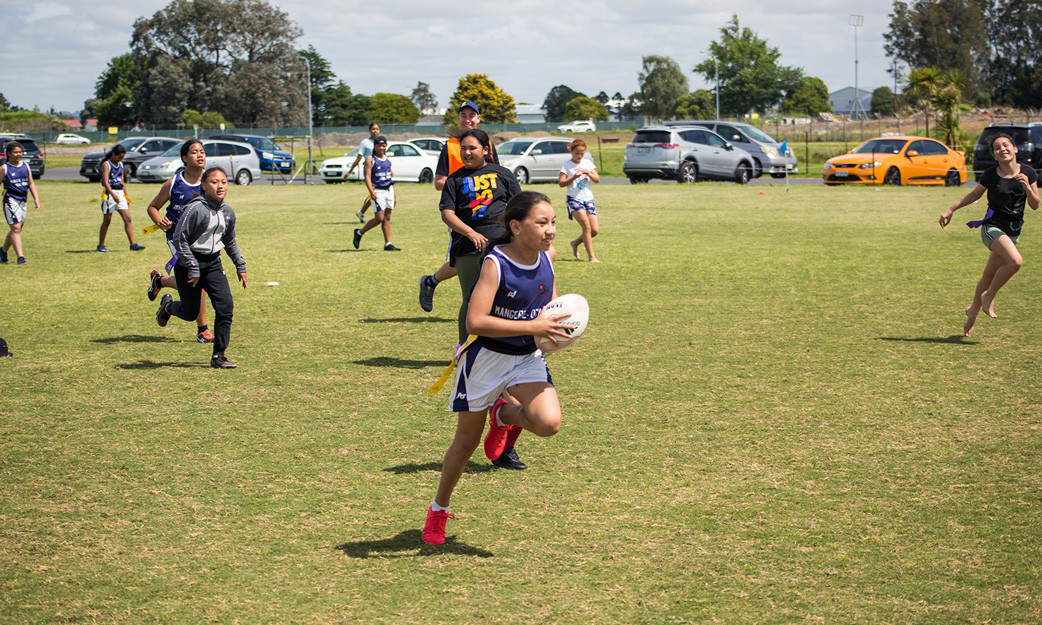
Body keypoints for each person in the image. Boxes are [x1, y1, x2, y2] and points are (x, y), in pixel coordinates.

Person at [421, 191, 572, 545]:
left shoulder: (548, 257)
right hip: (486, 359)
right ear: (516, 227)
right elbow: (475, 322)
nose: (550, 230)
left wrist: (558, 330)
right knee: (465, 444)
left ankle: (503, 416)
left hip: (525, 358)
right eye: (542, 222)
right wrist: (533, 327)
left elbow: (548, 309)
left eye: (553, 222)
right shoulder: (496, 263)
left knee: (548, 424)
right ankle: (438, 509)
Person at [438, 128, 535, 471]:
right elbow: (447, 212)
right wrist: (470, 233)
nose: (466, 153)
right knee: (475, 307)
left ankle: (505, 442)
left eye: (472, 148)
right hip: (469, 248)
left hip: (503, 247)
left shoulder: (503, 175)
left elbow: (522, 210)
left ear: (486, 149)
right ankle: (469, 348)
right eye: (463, 149)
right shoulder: (454, 180)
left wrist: (520, 242)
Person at [940, 132, 1039, 337]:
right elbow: (974, 195)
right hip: (991, 227)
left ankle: (972, 312)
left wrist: (1027, 188)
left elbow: (1035, 204)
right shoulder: (991, 175)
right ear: (994, 156)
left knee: (988, 275)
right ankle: (988, 296)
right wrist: (951, 210)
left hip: (1012, 231)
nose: (1002, 149)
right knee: (1015, 262)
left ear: (1015, 149)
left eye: (1005, 145)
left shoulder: (1028, 172)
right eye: (997, 148)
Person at [155, 167, 247, 369]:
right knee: (190, 313)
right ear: (204, 186)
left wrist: (240, 266)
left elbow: (230, 241)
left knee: (225, 307)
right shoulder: (195, 208)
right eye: (214, 182)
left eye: (223, 182)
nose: (220, 186)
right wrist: (193, 267)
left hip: (213, 264)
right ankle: (168, 306)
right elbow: (180, 238)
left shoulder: (228, 212)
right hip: (188, 265)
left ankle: (218, 356)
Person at [418, 101, 499, 312]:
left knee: (488, 256)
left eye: (472, 115)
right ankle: (433, 283)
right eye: (463, 115)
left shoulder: (487, 144)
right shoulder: (451, 146)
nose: (467, 119)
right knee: (465, 258)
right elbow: (438, 182)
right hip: (461, 214)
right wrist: (465, 183)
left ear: (479, 118)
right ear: (458, 119)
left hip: (489, 214)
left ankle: (481, 303)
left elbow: (497, 178)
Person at [144, 139, 215, 343]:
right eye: (194, 152)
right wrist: (159, 221)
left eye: (202, 151)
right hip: (177, 238)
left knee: (193, 282)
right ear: (185, 158)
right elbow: (153, 206)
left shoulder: (209, 181)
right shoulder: (174, 183)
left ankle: (160, 281)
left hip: (201, 239)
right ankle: (203, 330)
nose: (200, 155)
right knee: (197, 279)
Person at [353, 136, 400, 251]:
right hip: (378, 190)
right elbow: (367, 177)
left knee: (387, 217)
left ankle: (388, 243)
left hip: (388, 190)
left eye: (384, 145)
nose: (381, 148)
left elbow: (389, 177)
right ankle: (359, 232)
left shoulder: (387, 159)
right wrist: (371, 191)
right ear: (374, 146)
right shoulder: (370, 159)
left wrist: (393, 194)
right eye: (379, 145)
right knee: (379, 218)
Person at [558, 138, 600, 262]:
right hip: (574, 199)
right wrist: (573, 177)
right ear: (571, 151)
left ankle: (575, 243)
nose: (579, 156)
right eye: (577, 153)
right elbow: (561, 183)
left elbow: (597, 180)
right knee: (586, 227)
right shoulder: (567, 165)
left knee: (594, 230)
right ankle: (592, 257)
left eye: (582, 153)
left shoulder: (587, 163)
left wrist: (589, 174)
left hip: (588, 199)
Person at [97, 144, 145, 253]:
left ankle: (133, 244)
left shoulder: (121, 165)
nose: (120, 159)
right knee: (107, 221)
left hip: (120, 193)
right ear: (113, 154)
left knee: (128, 218)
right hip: (110, 194)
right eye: (119, 157)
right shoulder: (107, 164)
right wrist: (113, 196)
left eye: (122, 157)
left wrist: (126, 196)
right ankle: (101, 245)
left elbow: (122, 182)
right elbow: (105, 182)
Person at [1, 141, 41, 265]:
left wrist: (36, 198)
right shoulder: (4, 168)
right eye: (15, 152)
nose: (19, 154)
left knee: (17, 229)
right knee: (16, 228)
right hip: (10, 200)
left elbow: (30, 183)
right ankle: (20, 257)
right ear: (9, 153)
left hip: (23, 201)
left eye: (20, 152)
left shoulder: (25, 166)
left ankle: (2, 251)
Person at [345, 122, 381, 223]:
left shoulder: (380, 141)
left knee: (379, 194)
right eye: (373, 129)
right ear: (369, 131)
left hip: (380, 171)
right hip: (370, 171)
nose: (375, 131)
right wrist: (350, 171)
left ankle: (363, 212)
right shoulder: (365, 143)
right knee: (373, 194)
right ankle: (376, 216)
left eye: (377, 129)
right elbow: (358, 158)